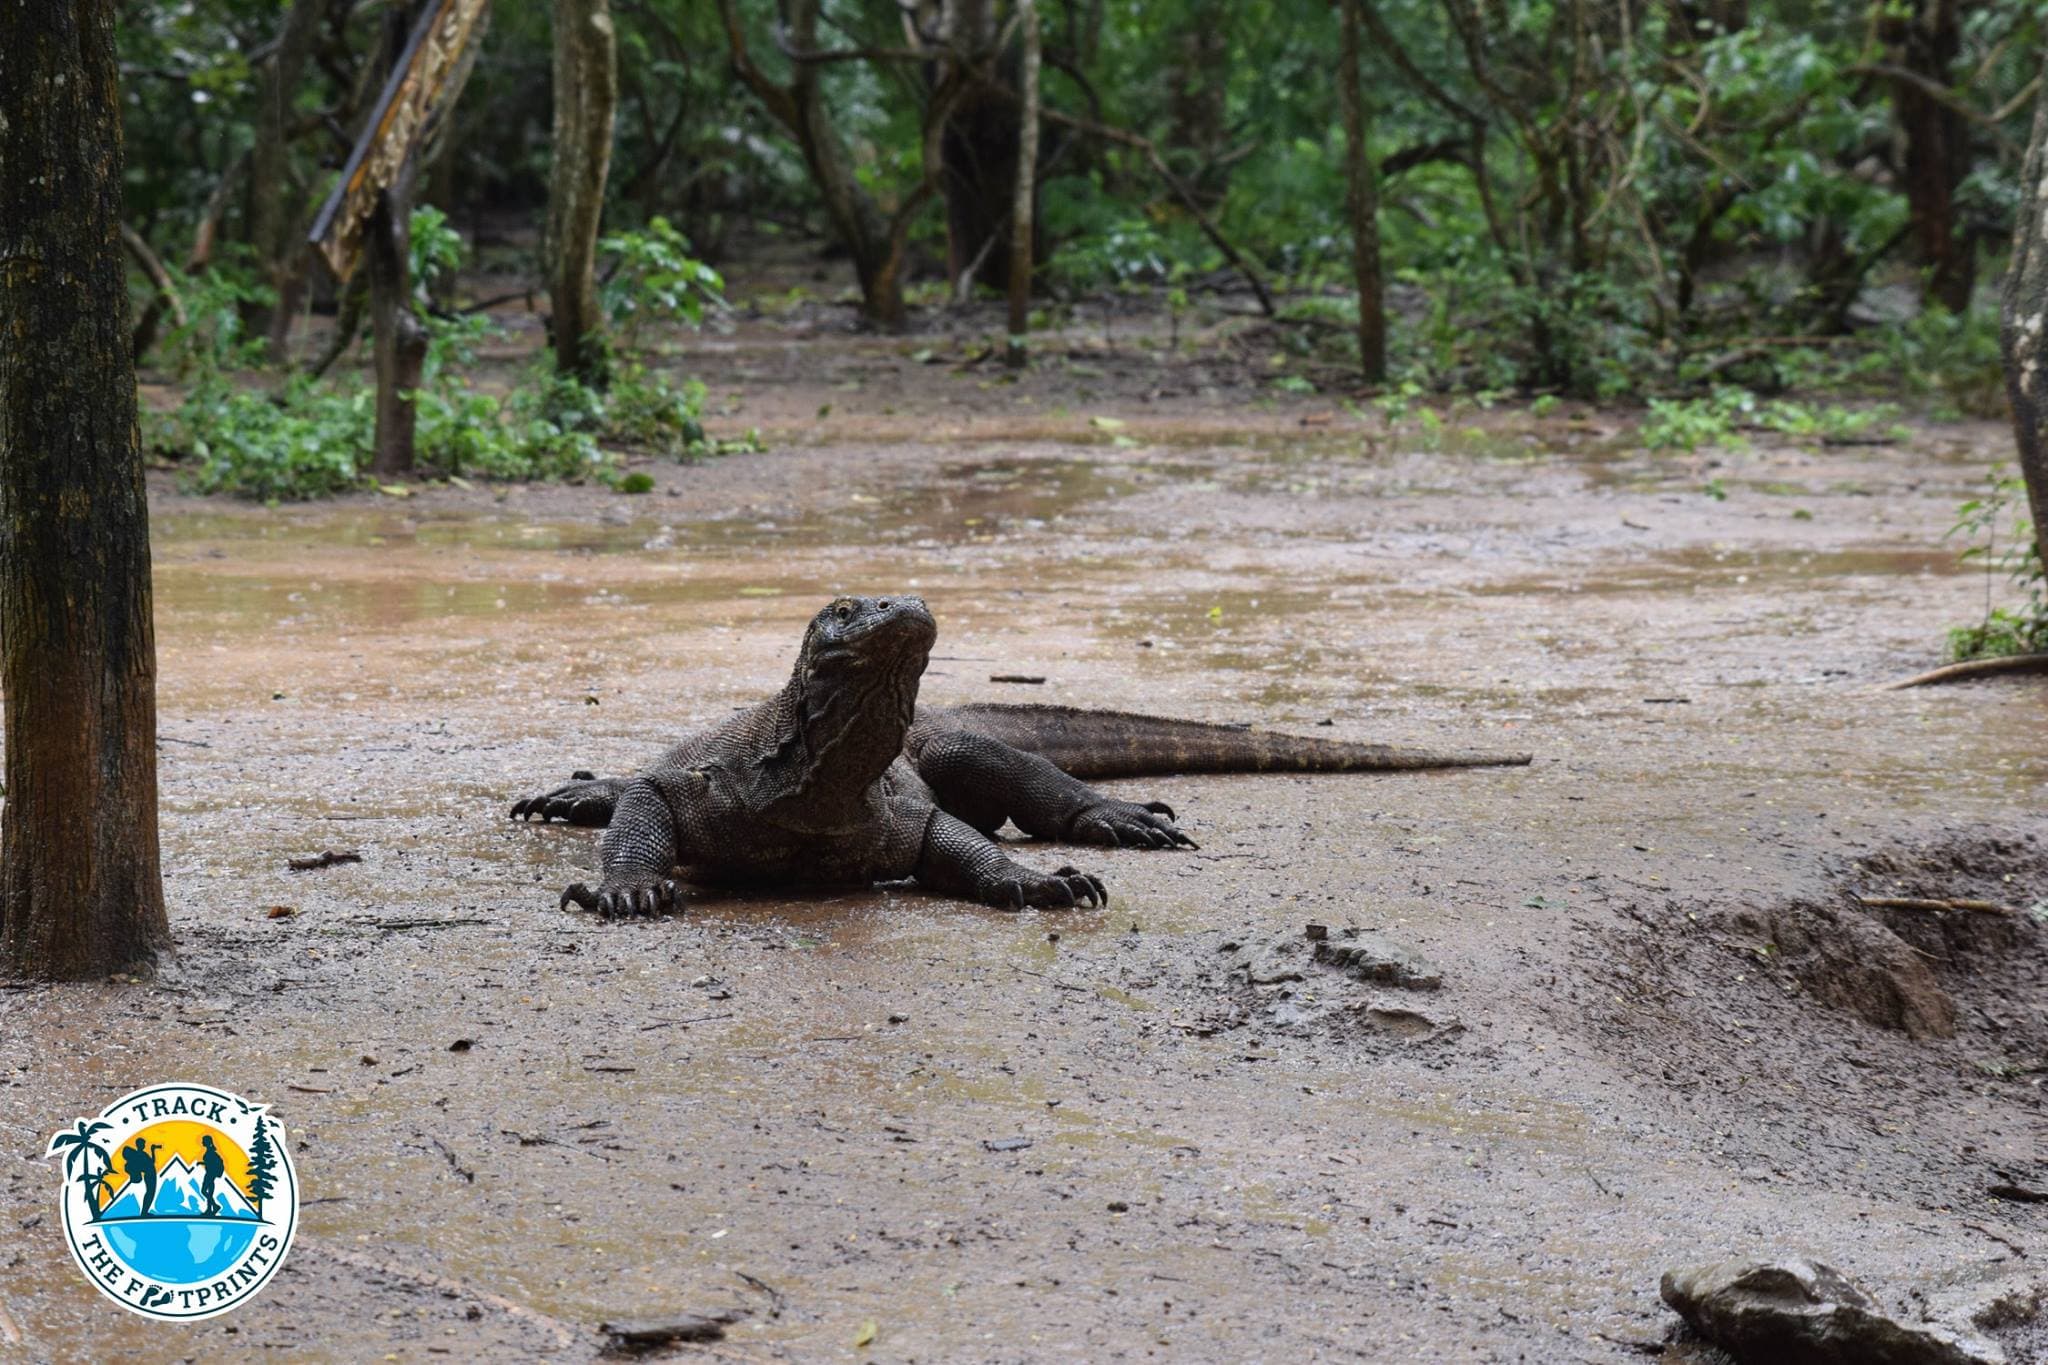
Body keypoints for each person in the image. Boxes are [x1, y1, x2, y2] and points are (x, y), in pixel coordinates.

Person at [119, 1137, 159, 1217]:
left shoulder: (141, 1154)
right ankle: (144, 1212)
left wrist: (152, 1150)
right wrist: (152, 1150)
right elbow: (151, 1163)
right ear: (139, 1145)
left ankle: (144, 1212)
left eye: (144, 1144)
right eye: (143, 1144)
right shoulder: (140, 1154)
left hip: (151, 1174)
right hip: (150, 1175)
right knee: (150, 1193)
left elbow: (151, 1162)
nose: (144, 1145)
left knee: (150, 1193)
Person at [198, 1135, 227, 1217]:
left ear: (207, 1142)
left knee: (204, 1191)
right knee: (208, 1192)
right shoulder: (210, 1151)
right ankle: (211, 1208)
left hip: (210, 1174)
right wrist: (202, 1163)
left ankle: (213, 1207)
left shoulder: (210, 1152)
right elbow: (210, 1162)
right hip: (210, 1174)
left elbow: (211, 1163)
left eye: (203, 1141)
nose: (202, 1142)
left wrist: (203, 1163)